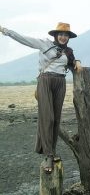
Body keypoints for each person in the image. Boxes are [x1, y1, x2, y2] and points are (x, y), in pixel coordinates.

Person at [0, 22, 82, 173]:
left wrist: (77, 61)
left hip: (60, 83)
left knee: (56, 119)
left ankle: (52, 150)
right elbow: (23, 39)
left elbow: (72, 63)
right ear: (55, 35)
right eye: (61, 34)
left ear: (68, 37)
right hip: (45, 80)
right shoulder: (44, 44)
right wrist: (5, 31)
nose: (63, 37)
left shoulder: (68, 52)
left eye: (66, 35)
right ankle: (48, 156)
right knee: (47, 118)